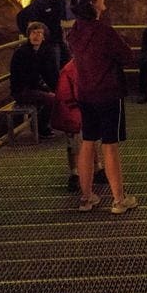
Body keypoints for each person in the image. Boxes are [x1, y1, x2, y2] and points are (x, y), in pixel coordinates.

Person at [68, 0, 137, 215]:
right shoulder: (104, 31)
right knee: (110, 145)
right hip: (108, 93)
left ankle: (86, 197)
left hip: (85, 93)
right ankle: (119, 199)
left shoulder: (75, 31)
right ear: (93, 4)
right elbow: (127, 56)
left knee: (87, 142)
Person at [51, 60, 107, 193]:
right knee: (81, 142)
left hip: (79, 111)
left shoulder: (71, 69)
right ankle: (79, 174)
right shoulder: (74, 69)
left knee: (82, 142)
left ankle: (84, 171)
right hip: (77, 112)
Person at [9, 22, 60, 140]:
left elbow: (50, 74)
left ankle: (44, 124)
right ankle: (40, 127)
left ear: (44, 37)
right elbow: (26, 78)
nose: (36, 36)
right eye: (33, 33)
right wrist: (47, 90)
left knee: (56, 95)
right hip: (22, 90)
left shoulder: (44, 51)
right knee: (51, 99)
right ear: (28, 35)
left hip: (34, 87)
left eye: (39, 33)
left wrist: (55, 88)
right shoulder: (22, 53)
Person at [18, 0, 69, 69]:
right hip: (49, 42)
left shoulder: (60, 1)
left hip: (59, 39)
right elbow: (22, 16)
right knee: (54, 67)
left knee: (66, 65)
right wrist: (29, 34)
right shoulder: (40, 2)